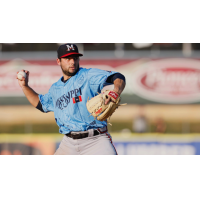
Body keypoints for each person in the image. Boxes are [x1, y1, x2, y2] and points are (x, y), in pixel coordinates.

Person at [17, 43, 126, 155]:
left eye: (75, 58)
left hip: (96, 141)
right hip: (68, 143)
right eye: (68, 58)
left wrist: (116, 91)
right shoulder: (55, 88)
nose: (72, 62)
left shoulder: (87, 75)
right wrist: (24, 86)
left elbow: (117, 76)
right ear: (58, 61)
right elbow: (40, 104)